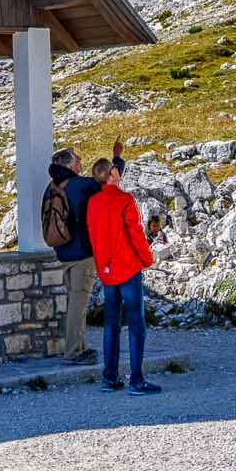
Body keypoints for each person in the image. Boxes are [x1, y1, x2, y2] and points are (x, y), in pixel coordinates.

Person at [85, 155, 159, 394]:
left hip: (106, 271)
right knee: (136, 323)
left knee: (111, 324)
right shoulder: (124, 200)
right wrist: (146, 258)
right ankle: (136, 380)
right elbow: (135, 232)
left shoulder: (93, 203)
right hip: (127, 267)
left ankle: (110, 377)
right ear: (112, 174)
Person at [42, 146, 105, 362]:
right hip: (82, 255)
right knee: (79, 304)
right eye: (77, 160)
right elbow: (105, 181)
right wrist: (117, 159)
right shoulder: (78, 185)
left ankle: (80, 346)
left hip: (62, 252)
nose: (80, 163)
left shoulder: (51, 187)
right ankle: (73, 352)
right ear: (70, 165)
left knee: (74, 302)